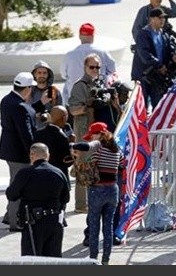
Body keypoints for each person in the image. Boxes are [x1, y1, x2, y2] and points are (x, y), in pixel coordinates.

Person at [68, 53, 117, 212]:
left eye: (97, 67)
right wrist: (87, 105)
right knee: (83, 165)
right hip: (84, 130)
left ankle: (91, 200)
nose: (95, 70)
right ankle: (81, 204)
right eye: (92, 67)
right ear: (85, 67)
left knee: (95, 164)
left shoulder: (100, 83)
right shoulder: (80, 85)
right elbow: (73, 110)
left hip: (98, 131)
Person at [72, 122, 125, 265]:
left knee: (94, 226)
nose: (91, 138)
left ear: (99, 134)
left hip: (97, 190)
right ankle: (106, 260)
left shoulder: (97, 145)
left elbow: (84, 146)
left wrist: (72, 146)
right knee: (108, 227)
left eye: (92, 135)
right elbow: (122, 164)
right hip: (113, 190)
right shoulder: (117, 149)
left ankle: (93, 259)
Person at [5, 142, 70, 257]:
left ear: (32, 155)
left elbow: (11, 195)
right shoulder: (59, 173)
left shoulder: (25, 173)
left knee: (32, 259)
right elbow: (65, 198)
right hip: (54, 221)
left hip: (33, 223)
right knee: (53, 260)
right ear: (47, 155)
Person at [0, 71, 37, 231]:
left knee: (15, 182)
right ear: (27, 89)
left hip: (10, 150)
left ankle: (9, 215)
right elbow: (25, 133)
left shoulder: (7, 100)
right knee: (17, 186)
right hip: (19, 153)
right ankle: (14, 221)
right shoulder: (20, 106)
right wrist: (33, 152)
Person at [132, 7, 176, 109]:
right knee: (142, 106)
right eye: (160, 18)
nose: (163, 20)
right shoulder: (143, 34)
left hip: (158, 76)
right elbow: (144, 54)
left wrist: (173, 55)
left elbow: (168, 48)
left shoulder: (163, 34)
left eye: (164, 18)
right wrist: (159, 65)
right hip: (144, 75)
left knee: (158, 105)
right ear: (152, 19)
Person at [61, 23, 117, 107]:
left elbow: (63, 75)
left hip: (74, 100)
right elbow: (113, 70)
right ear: (93, 36)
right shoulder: (102, 53)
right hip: (98, 98)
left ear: (79, 36)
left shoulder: (70, 55)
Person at [33, 105, 75, 218]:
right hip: (58, 175)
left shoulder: (38, 133)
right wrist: (73, 150)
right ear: (63, 118)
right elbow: (67, 161)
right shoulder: (61, 137)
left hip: (40, 174)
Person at [29, 60, 62, 130]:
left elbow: (61, 112)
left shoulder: (54, 91)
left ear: (48, 75)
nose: (42, 75)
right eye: (39, 73)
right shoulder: (28, 91)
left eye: (44, 73)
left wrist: (51, 116)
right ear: (34, 74)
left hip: (50, 129)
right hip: (33, 129)